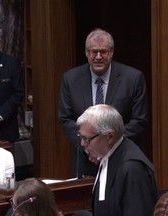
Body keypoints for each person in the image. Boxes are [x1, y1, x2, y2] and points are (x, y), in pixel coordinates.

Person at [59, 28, 148, 177]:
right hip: (86, 160)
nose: (98, 57)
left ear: (111, 52)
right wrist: (89, 146)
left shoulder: (133, 78)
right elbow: (65, 118)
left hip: (121, 158)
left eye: (103, 52)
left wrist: (108, 146)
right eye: (94, 52)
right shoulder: (71, 79)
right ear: (87, 53)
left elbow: (139, 120)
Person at [75, 104, 157, 216]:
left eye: (87, 139)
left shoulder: (133, 169)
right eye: (81, 137)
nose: (83, 144)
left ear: (109, 137)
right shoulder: (108, 155)